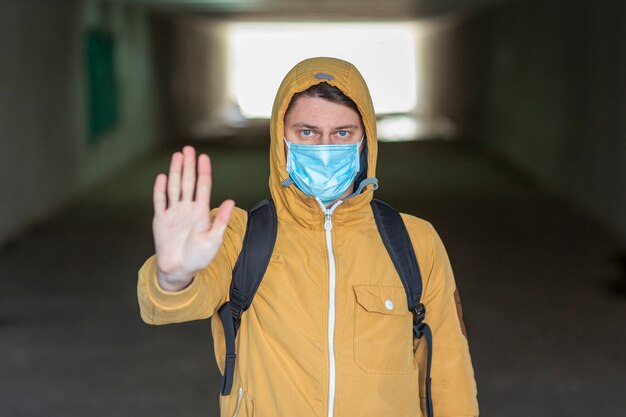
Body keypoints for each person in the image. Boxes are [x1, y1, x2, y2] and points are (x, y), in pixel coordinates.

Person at [137, 57, 479, 417]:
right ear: (280, 138)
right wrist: (173, 275)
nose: (325, 148)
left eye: (342, 133)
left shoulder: (413, 242)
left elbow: (448, 376)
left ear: (365, 141)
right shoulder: (239, 236)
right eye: (307, 132)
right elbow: (165, 307)